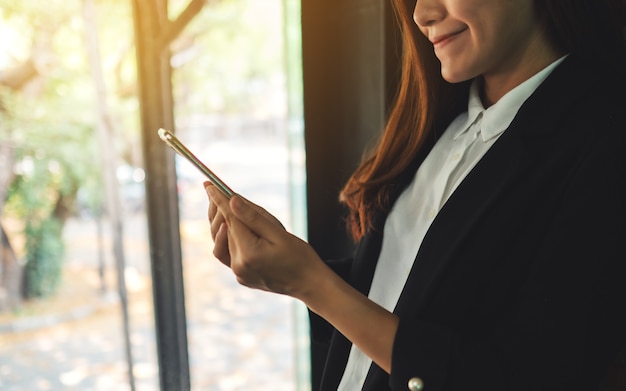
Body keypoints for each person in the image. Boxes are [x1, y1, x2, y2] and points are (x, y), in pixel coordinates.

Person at [204, 0, 626, 389]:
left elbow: (526, 375)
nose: (422, 13)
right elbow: (414, 293)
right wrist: (288, 270)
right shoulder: (440, 124)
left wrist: (312, 284)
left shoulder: (603, 143)